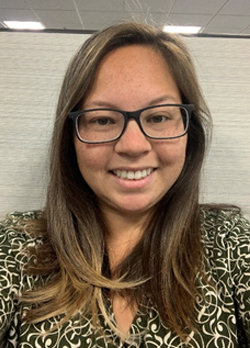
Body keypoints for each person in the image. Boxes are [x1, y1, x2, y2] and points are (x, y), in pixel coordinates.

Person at [0, 21, 250, 348]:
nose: (133, 145)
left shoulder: (232, 244)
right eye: (102, 119)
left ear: (191, 131)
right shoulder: (16, 246)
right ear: (70, 137)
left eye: (159, 117)